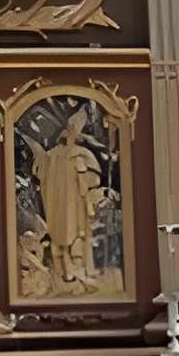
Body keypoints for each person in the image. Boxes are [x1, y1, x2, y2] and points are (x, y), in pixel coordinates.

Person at [30, 108, 104, 287]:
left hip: (75, 205)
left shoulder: (81, 155)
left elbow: (94, 180)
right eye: (68, 130)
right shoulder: (50, 156)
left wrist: (82, 172)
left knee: (76, 237)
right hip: (58, 205)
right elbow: (38, 174)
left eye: (73, 130)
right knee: (61, 238)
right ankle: (65, 272)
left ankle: (78, 271)